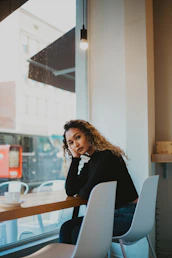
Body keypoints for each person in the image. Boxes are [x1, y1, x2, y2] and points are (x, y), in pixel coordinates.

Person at [59, 119, 138, 245]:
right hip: (111, 214)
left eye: (78, 137)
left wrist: (83, 189)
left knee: (78, 232)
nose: (76, 145)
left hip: (130, 215)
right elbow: (70, 190)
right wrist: (75, 158)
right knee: (66, 228)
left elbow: (85, 193)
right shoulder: (91, 162)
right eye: (71, 143)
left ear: (89, 134)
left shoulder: (107, 156)